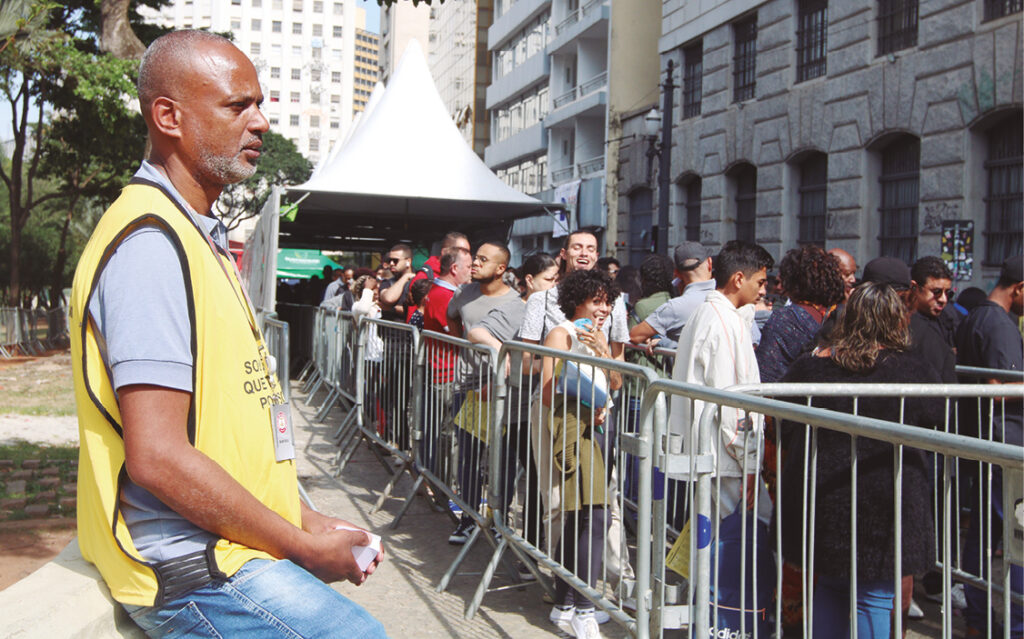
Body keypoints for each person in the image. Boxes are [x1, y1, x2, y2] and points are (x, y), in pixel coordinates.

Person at [69, 31, 385, 637]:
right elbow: (159, 456)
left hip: (225, 548)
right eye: (237, 106)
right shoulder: (150, 243)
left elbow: (226, 430)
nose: (261, 122)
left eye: (259, 104)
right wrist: (296, 543)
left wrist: (304, 517)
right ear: (169, 116)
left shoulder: (195, 233)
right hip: (190, 566)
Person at [778, 283, 942, 639]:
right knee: (874, 595)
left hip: (823, 498)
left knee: (832, 587)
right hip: (886, 504)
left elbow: (782, 424)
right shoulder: (913, 371)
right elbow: (937, 417)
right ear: (896, 321)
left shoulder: (813, 367)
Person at [536, 269, 623, 639]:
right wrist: (590, 408)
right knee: (593, 516)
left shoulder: (599, 336)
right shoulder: (561, 333)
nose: (603, 309)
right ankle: (584, 607)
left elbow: (616, 382)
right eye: (596, 301)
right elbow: (546, 391)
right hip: (573, 434)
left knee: (585, 516)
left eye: (607, 302)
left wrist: (604, 354)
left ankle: (567, 602)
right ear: (576, 301)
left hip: (597, 433)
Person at [668, 240, 774, 522]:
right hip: (726, 458)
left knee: (717, 542)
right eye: (761, 282)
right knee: (749, 537)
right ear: (739, 279)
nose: (764, 291)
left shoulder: (713, 313)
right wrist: (750, 463)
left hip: (715, 454)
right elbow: (733, 402)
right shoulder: (722, 321)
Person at [467, 253, 559, 551]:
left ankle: (532, 542)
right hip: (517, 410)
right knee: (518, 478)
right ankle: (518, 538)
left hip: (546, 407)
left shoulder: (557, 308)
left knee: (535, 480)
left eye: (557, 280)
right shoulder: (514, 309)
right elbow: (475, 330)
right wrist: (500, 350)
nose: (554, 286)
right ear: (529, 281)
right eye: (549, 280)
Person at [955, 254, 1023, 639]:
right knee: (1015, 542)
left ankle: (979, 620)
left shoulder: (976, 317)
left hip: (986, 444)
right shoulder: (998, 323)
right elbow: (999, 390)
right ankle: (1014, 625)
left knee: (981, 539)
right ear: (1019, 289)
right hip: (1004, 446)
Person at [444, 242, 519, 544]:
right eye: (475, 258)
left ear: (501, 268)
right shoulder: (463, 294)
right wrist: (462, 345)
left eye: (483, 260)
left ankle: (499, 519)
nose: (474, 263)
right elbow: (452, 319)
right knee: (469, 457)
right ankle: (468, 518)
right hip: (469, 389)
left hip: (502, 393)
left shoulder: (516, 304)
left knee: (503, 460)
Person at [520, 230, 628, 358]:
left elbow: (618, 358)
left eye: (590, 249)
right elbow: (527, 362)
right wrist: (563, 366)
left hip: (600, 376)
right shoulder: (540, 299)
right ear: (564, 254)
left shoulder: (615, 299)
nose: (584, 254)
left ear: (596, 256)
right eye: (577, 248)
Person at [756, 245, 845, 383]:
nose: (780, 286)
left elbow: (766, 377)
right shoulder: (841, 315)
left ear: (791, 281)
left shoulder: (784, 319)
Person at [629, 241, 715, 351]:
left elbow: (635, 335)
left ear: (677, 274)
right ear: (709, 263)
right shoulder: (727, 297)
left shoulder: (675, 307)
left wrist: (662, 341)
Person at [378, 243, 414, 321]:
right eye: (389, 260)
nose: (391, 264)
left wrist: (392, 309)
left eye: (395, 260)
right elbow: (388, 298)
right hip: (387, 332)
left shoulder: (417, 282)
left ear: (408, 261)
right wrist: (405, 277)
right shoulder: (386, 282)